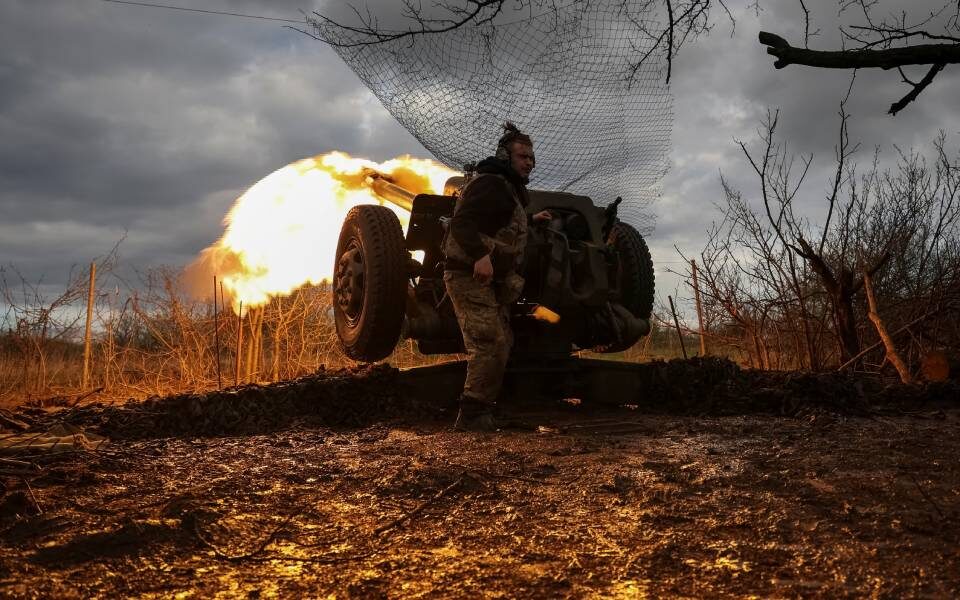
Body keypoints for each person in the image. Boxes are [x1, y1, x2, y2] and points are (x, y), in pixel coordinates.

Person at [443, 122, 552, 431]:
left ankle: (484, 409)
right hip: (467, 275)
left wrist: (532, 219)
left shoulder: (508, 189)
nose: (529, 162)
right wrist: (480, 256)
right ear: (505, 157)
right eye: (522, 157)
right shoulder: (490, 182)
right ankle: (472, 416)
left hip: (489, 282)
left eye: (531, 158)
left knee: (502, 341)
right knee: (488, 341)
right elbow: (461, 223)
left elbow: (499, 223)